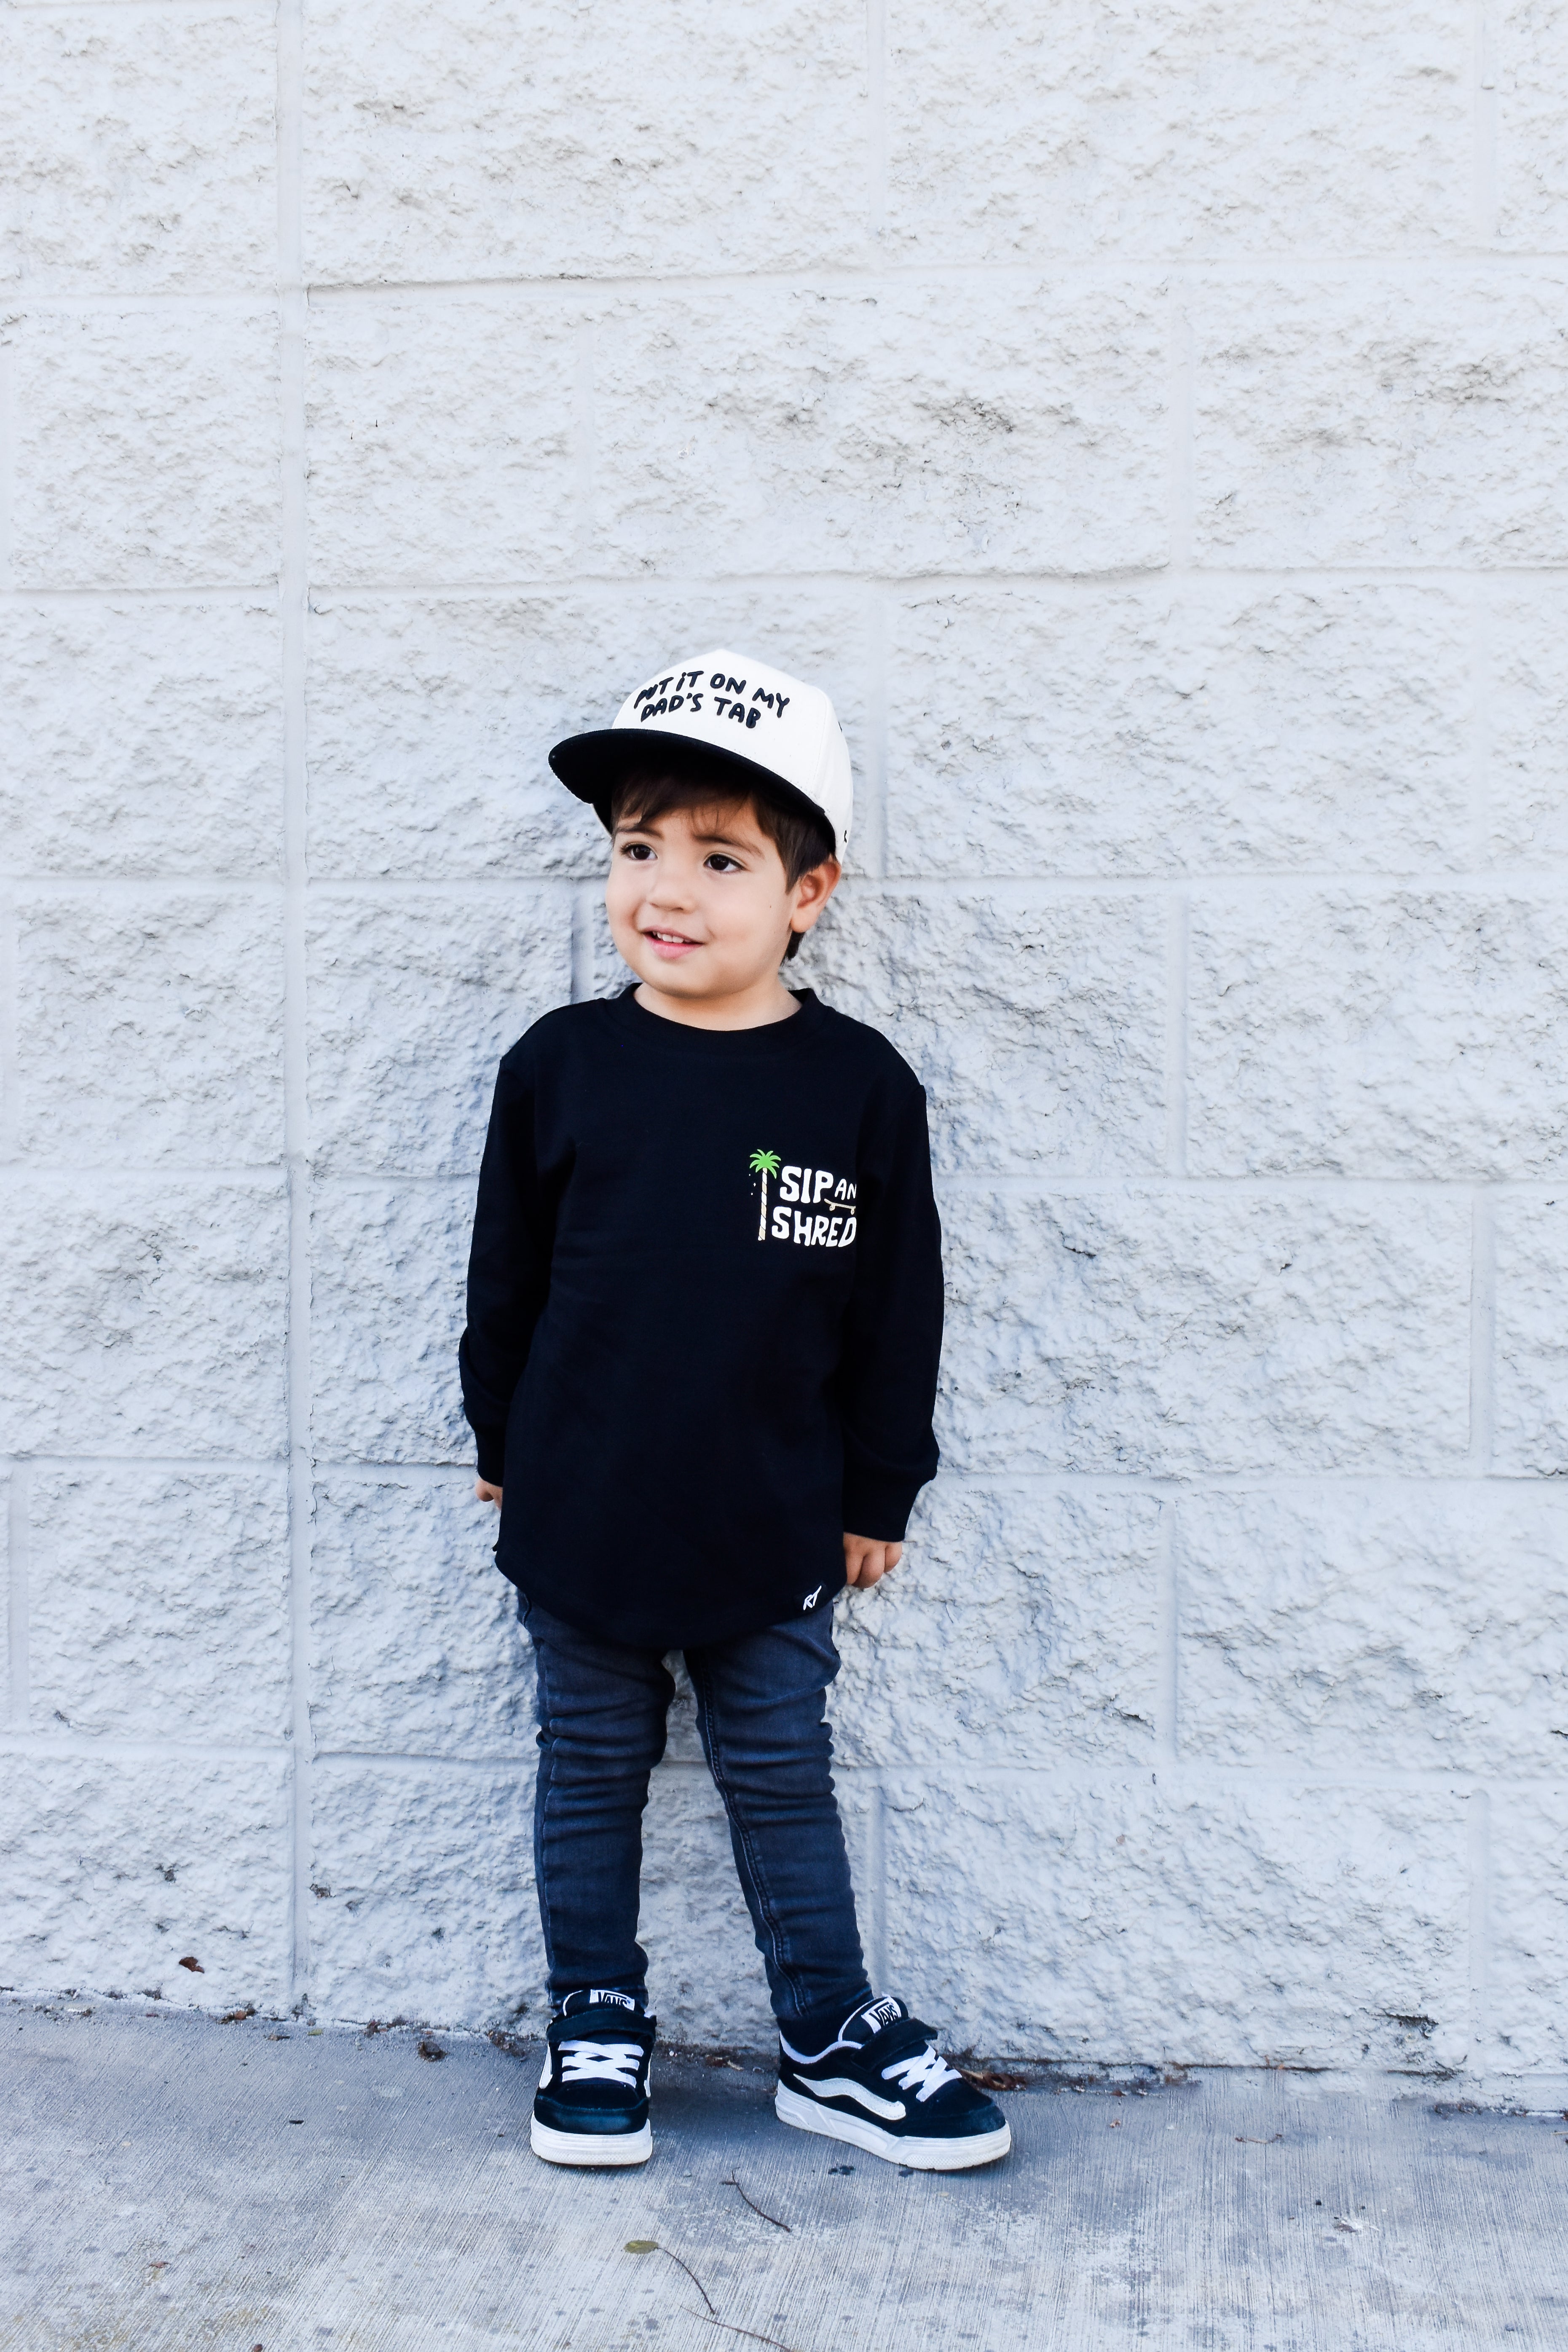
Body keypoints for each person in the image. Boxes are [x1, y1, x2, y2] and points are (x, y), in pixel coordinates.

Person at [458, 649, 1010, 2174]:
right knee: (587, 1767)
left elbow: (897, 1312)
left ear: (808, 892)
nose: (666, 889)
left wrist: (878, 1491)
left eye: (718, 857)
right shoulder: (561, 1067)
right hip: (582, 1511)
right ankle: (595, 2020)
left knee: (778, 1772)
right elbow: (503, 1280)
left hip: (774, 1522)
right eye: (638, 849)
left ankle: (826, 2035)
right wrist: (503, 1445)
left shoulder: (853, 1089)